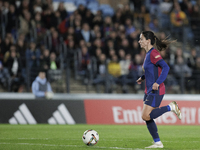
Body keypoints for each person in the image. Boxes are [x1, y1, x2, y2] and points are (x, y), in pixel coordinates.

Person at [136, 31, 181, 148]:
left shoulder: (153, 53)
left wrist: (158, 82)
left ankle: (171, 107)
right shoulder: (148, 54)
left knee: (145, 116)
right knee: (148, 117)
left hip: (156, 90)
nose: (139, 41)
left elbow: (166, 67)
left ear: (148, 41)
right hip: (148, 90)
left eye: (141, 39)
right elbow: (152, 71)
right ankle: (157, 142)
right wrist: (142, 77)